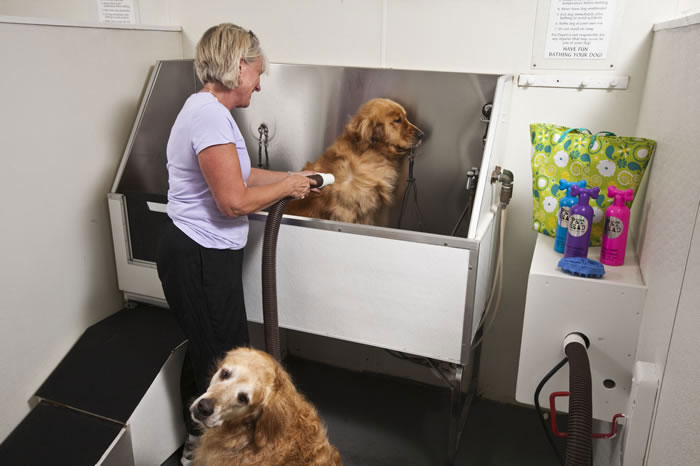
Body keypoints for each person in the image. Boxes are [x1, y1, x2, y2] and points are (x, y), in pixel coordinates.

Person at [155, 23, 315, 465]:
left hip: (205, 254)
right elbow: (233, 201)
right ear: (238, 66)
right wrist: (286, 189)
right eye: (257, 73)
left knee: (213, 350)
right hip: (198, 255)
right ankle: (209, 455)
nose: (260, 83)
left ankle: (198, 443)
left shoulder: (208, 110)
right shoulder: (208, 114)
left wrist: (292, 179)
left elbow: (240, 176)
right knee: (220, 362)